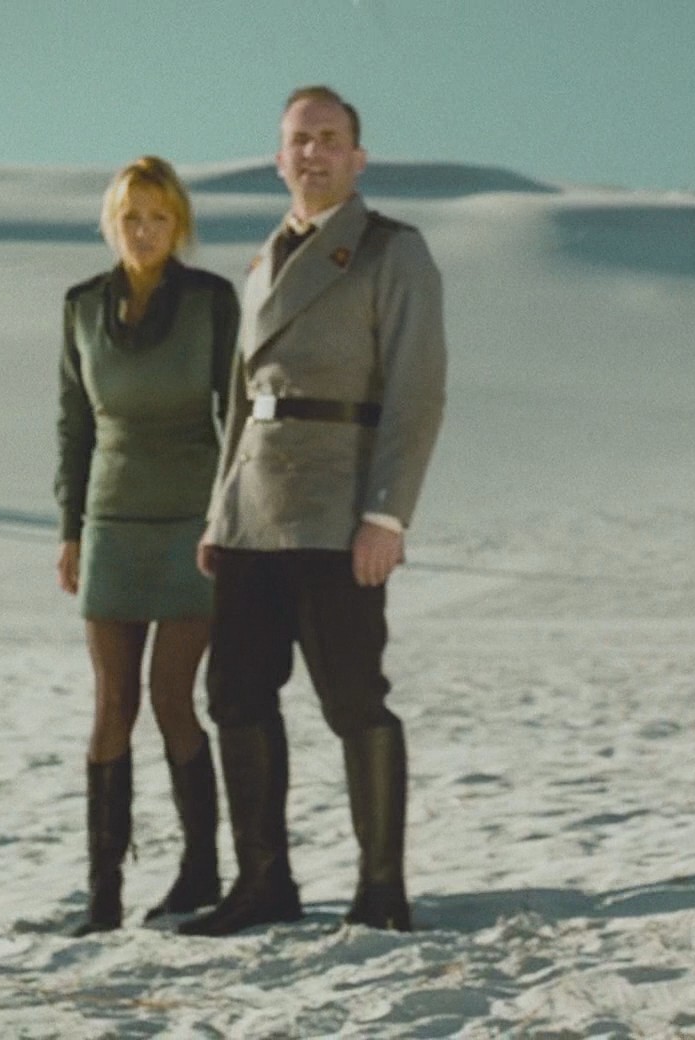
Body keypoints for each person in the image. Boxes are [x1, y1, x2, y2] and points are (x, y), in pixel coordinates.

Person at [179, 85, 447, 938]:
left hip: (338, 510)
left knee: (354, 699)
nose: (313, 153)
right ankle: (264, 884)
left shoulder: (390, 251)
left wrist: (388, 517)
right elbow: (240, 397)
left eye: (330, 139)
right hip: (253, 512)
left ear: (357, 158)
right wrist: (220, 515)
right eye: (299, 140)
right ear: (278, 157)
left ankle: (381, 891)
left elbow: (417, 392)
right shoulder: (263, 258)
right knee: (235, 697)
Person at [56, 156, 239, 935]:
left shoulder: (210, 301)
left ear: (179, 225)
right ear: (112, 223)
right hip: (110, 523)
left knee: (172, 699)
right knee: (111, 706)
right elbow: (75, 424)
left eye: (159, 217)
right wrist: (70, 530)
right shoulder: (80, 307)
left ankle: (200, 871)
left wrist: (231, 520)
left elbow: (237, 416)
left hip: (193, 525)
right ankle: (103, 893)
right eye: (131, 217)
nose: (144, 230)